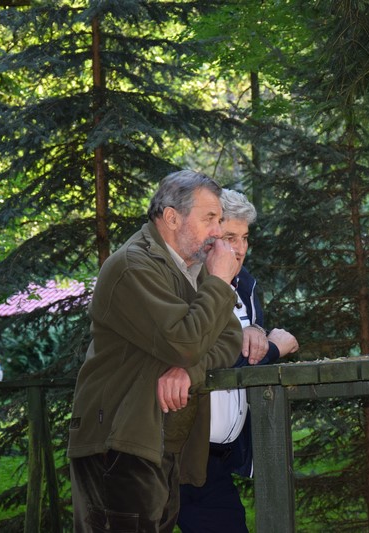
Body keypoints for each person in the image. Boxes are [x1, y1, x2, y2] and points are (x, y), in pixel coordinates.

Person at [67, 170, 244, 532]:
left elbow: (229, 337)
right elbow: (186, 343)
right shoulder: (133, 266)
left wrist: (189, 371)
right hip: (118, 445)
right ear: (172, 217)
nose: (218, 231)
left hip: (160, 445)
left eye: (220, 219)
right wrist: (219, 282)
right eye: (210, 218)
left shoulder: (192, 270)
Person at [176, 189, 299, 533]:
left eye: (245, 238)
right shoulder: (184, 285)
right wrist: (274, 348)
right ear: (208, 236)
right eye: (230, 237)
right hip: (177, 451)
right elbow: (205, 363)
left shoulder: (245, 284)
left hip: (217, 461)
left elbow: (245, 351)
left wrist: (258, 331)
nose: (240, 248)